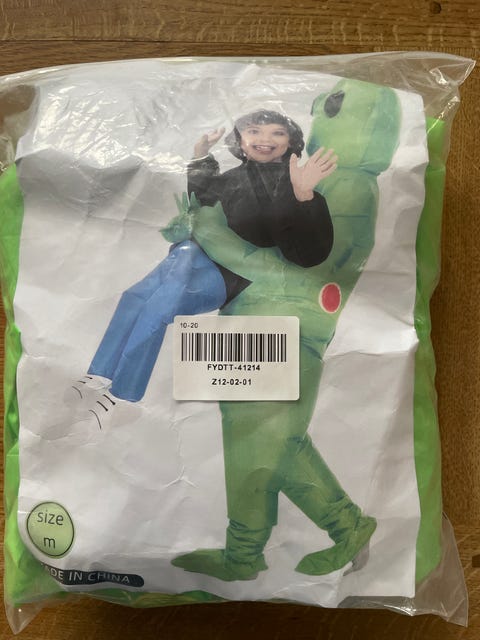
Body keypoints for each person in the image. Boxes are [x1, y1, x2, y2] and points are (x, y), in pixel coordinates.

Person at [77, 110, 336, 413]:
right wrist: (201, 155)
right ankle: (98, 376)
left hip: (237, 274)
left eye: (277, 132)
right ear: (240, 139)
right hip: (194, 259)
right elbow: (202, 197)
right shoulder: (235, 176)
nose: (264, 139)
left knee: (159, 306)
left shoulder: (294, 181)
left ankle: (123, 393)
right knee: (135, 296)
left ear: (290, 141)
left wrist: (303, 195)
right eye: (254, 131)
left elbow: (308, 255)